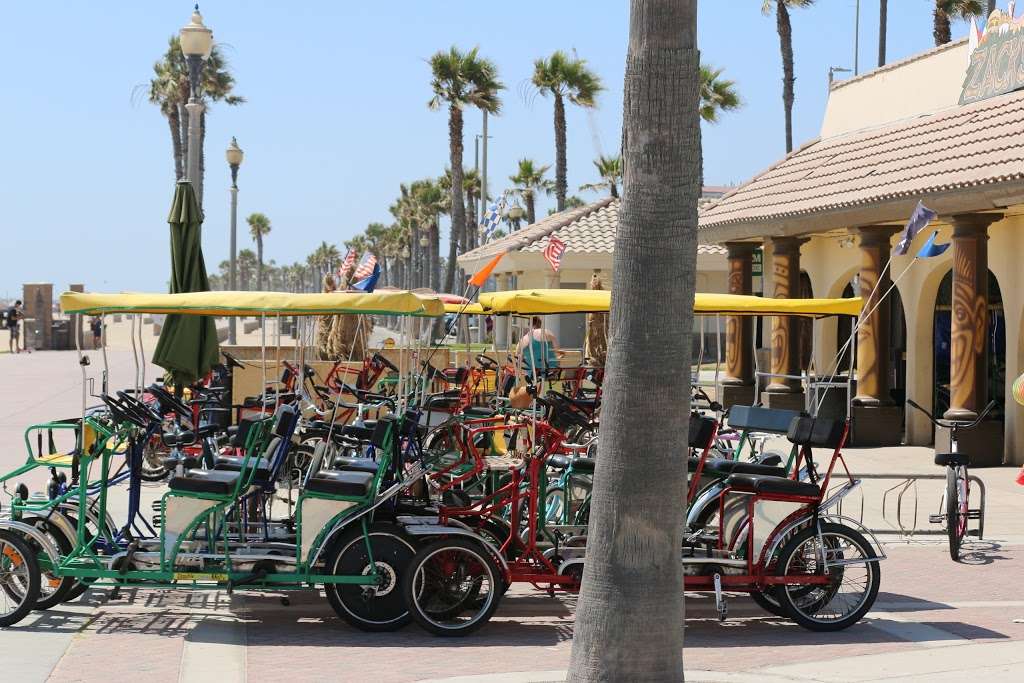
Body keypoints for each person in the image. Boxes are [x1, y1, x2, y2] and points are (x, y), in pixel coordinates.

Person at [516, 316, 563, 382]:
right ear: (540, 324)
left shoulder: (524, 339)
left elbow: (517, 358)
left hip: (534, 372)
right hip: (552, 370)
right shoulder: (548, 333)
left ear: (529, 325)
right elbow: (558, 352)